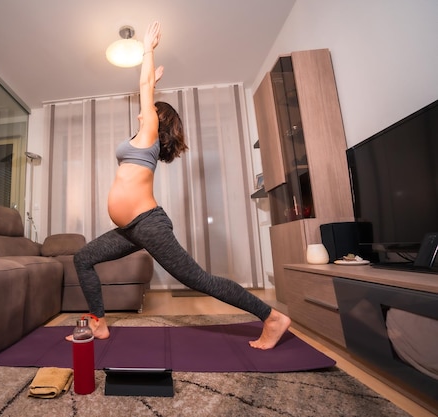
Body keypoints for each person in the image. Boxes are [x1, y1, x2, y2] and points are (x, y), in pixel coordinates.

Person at [72, 21, 291, 349]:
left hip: (148, 225)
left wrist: (147, 50)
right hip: (130, 229)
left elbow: (143, 85)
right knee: (83, 257)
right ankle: (99, 322)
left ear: (155, 120)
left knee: (198, 280)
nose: (139, 117)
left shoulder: (147, 138)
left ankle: (272, 317)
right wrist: (152, 87)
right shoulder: (144, 142)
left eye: (145, 113)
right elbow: (146, 95)